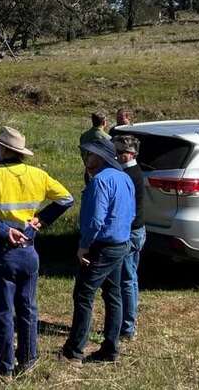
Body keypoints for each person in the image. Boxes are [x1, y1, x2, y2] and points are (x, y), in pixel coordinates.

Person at [0, 127, 74, 377]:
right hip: (29, 251)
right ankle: (28, 361)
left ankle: (5, 367)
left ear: (5, 150)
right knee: (28, 308)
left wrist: (4, 230)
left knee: (3, 311)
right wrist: (41, 219)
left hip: (2, 251)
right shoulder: (38, 175)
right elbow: (66, 199)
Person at [61, 139, 135, 364]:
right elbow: (132, 214)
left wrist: (84, 245)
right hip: (120, 245)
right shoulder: (125, 179)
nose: (87, 159)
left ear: (101, 157)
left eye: (90, 155)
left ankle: (74, 351)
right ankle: (110, 349)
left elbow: (95, 220)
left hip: (102, 247)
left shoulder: (100, 182)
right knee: (113, 295)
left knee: (84, 294)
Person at [112, 135, 145, 341]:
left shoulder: (129, 175)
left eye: (119, 153)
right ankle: (127, 323)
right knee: (130, 277)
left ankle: (127, 327)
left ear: (129, 154)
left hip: (131, 232)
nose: (115, 156)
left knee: (127, 279)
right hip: (136, 230)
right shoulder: (132, 172)